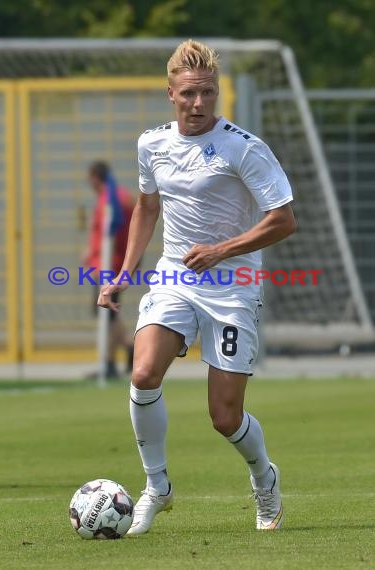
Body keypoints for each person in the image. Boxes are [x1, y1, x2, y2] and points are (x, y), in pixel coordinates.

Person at [97, 39, 296, 533]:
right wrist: (125, 271)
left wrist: (221, 251)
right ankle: (157, 487)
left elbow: (284, 220)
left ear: (217, 92)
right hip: (174, 275)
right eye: (189, 94)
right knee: (143, 373)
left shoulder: (243, 147)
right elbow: (148, 207)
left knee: (225, 417)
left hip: (233, 284)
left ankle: (264, 479)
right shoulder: (152, 144)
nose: (199, 103)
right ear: (171, 93)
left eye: (207, 93)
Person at [83, 160, 135, 379]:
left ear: (95, 177)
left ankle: (114, 359)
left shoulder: (110, 199)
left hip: (108, 265)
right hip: (112, 263)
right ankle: (123, 351)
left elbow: (110, 235)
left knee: (107, 311)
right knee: (108, 312)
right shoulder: (121, 196)